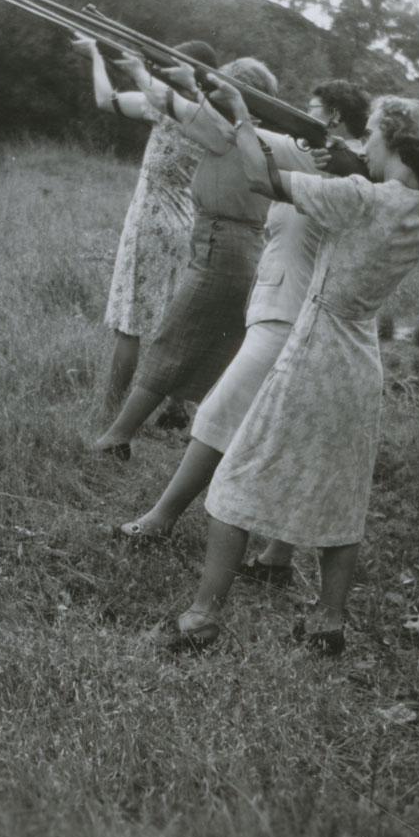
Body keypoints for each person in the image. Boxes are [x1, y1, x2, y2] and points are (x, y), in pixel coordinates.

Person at [170, 85, 419, 655]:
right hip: (359, 357)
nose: (363, 145)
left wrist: (243, 119)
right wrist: (357, 162)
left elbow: (260, 178)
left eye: (370, 136)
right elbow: (386, 185)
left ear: (394, 141)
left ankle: (201, 619)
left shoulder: (360, 196)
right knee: (341, 495)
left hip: (315, 345)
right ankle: (328, 622)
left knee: (235, 480)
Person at [117, 80, 372, 588]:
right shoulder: (324, 158)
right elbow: (237, 134)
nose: (302, 116)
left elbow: (257, 155)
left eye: (314, 110)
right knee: (293, 432)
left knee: (218, 414)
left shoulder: (346, 167)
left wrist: (239, 111)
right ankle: (277, 555)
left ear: (337, 120)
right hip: (290, 307)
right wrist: (214, 95)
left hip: (290, 312)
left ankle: (161, 519)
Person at [89, 53, 289, 461]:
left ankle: (116, 437)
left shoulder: (230, 132)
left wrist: (151, 75)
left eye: (222, 90)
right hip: (234, 243)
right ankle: (213, 434)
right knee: (217, 350)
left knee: (170, 343)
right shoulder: (251, 133)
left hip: (223, 243)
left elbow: (192, 115)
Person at [73, 34, 219, 427]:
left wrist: (97, 57)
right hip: (183, 226)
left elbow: (107, 100)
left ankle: (112, 412)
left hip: (150, 224)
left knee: (130, 324)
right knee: (169, 324)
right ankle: (175, 405)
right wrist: (99, 56)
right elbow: (110, 100)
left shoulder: (166, 109)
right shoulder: (210, 117)